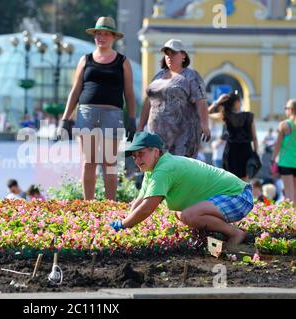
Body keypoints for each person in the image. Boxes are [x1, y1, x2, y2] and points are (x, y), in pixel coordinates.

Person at [109, 132, 254, 246]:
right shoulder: (152, 169)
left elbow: (148, 207)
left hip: (238, 196)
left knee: (188, 216)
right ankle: (218, 233)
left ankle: (235, 234)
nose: (137, 160)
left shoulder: (163, 170)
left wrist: (123, 225)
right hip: (231, 196)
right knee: (179, 213)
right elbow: (140, 200)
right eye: (134, 156)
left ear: (156, 151)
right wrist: (125, 221)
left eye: (141, 153)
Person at [58, 16, 136, 200]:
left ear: (113, 37)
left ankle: (109, 205)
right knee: (89, 161)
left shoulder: (122, 61)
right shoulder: (85, 60)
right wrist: (65, 118)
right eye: (98, 34)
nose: (101, 37)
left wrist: (132, 119)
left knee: (109, 162)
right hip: (87, 113)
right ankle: (89, 205)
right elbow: (75, 90)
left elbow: (129, 93)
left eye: (106, 34)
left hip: (113, 113)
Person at [137, 39, 211, 158]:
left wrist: (204, 124)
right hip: (156, 136)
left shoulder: (191, 76)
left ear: (183, 55)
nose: (169, 57)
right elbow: (148, 102)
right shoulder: (158, 76)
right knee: (158, 169)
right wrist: (140, 127)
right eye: (167, 54)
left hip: (182, 137)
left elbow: (200, 101)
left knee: (179, 171)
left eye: (174, 53)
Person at [209, 92, 259, 181]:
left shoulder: (225, 116)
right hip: (246, 150)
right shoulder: (249, 116)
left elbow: (207, 113)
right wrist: (255, 153)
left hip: (231, 151)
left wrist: (217, 102)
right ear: (237, 102)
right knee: (244, 181)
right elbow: (254, 138)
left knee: (230, 180)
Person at [271, 99, 296, 203]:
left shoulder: (284, 125)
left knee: (289, 193)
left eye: (286, 108)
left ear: (290, 110)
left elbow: (278, 145)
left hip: (285, 163)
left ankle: (292, 218)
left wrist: (273, 159)